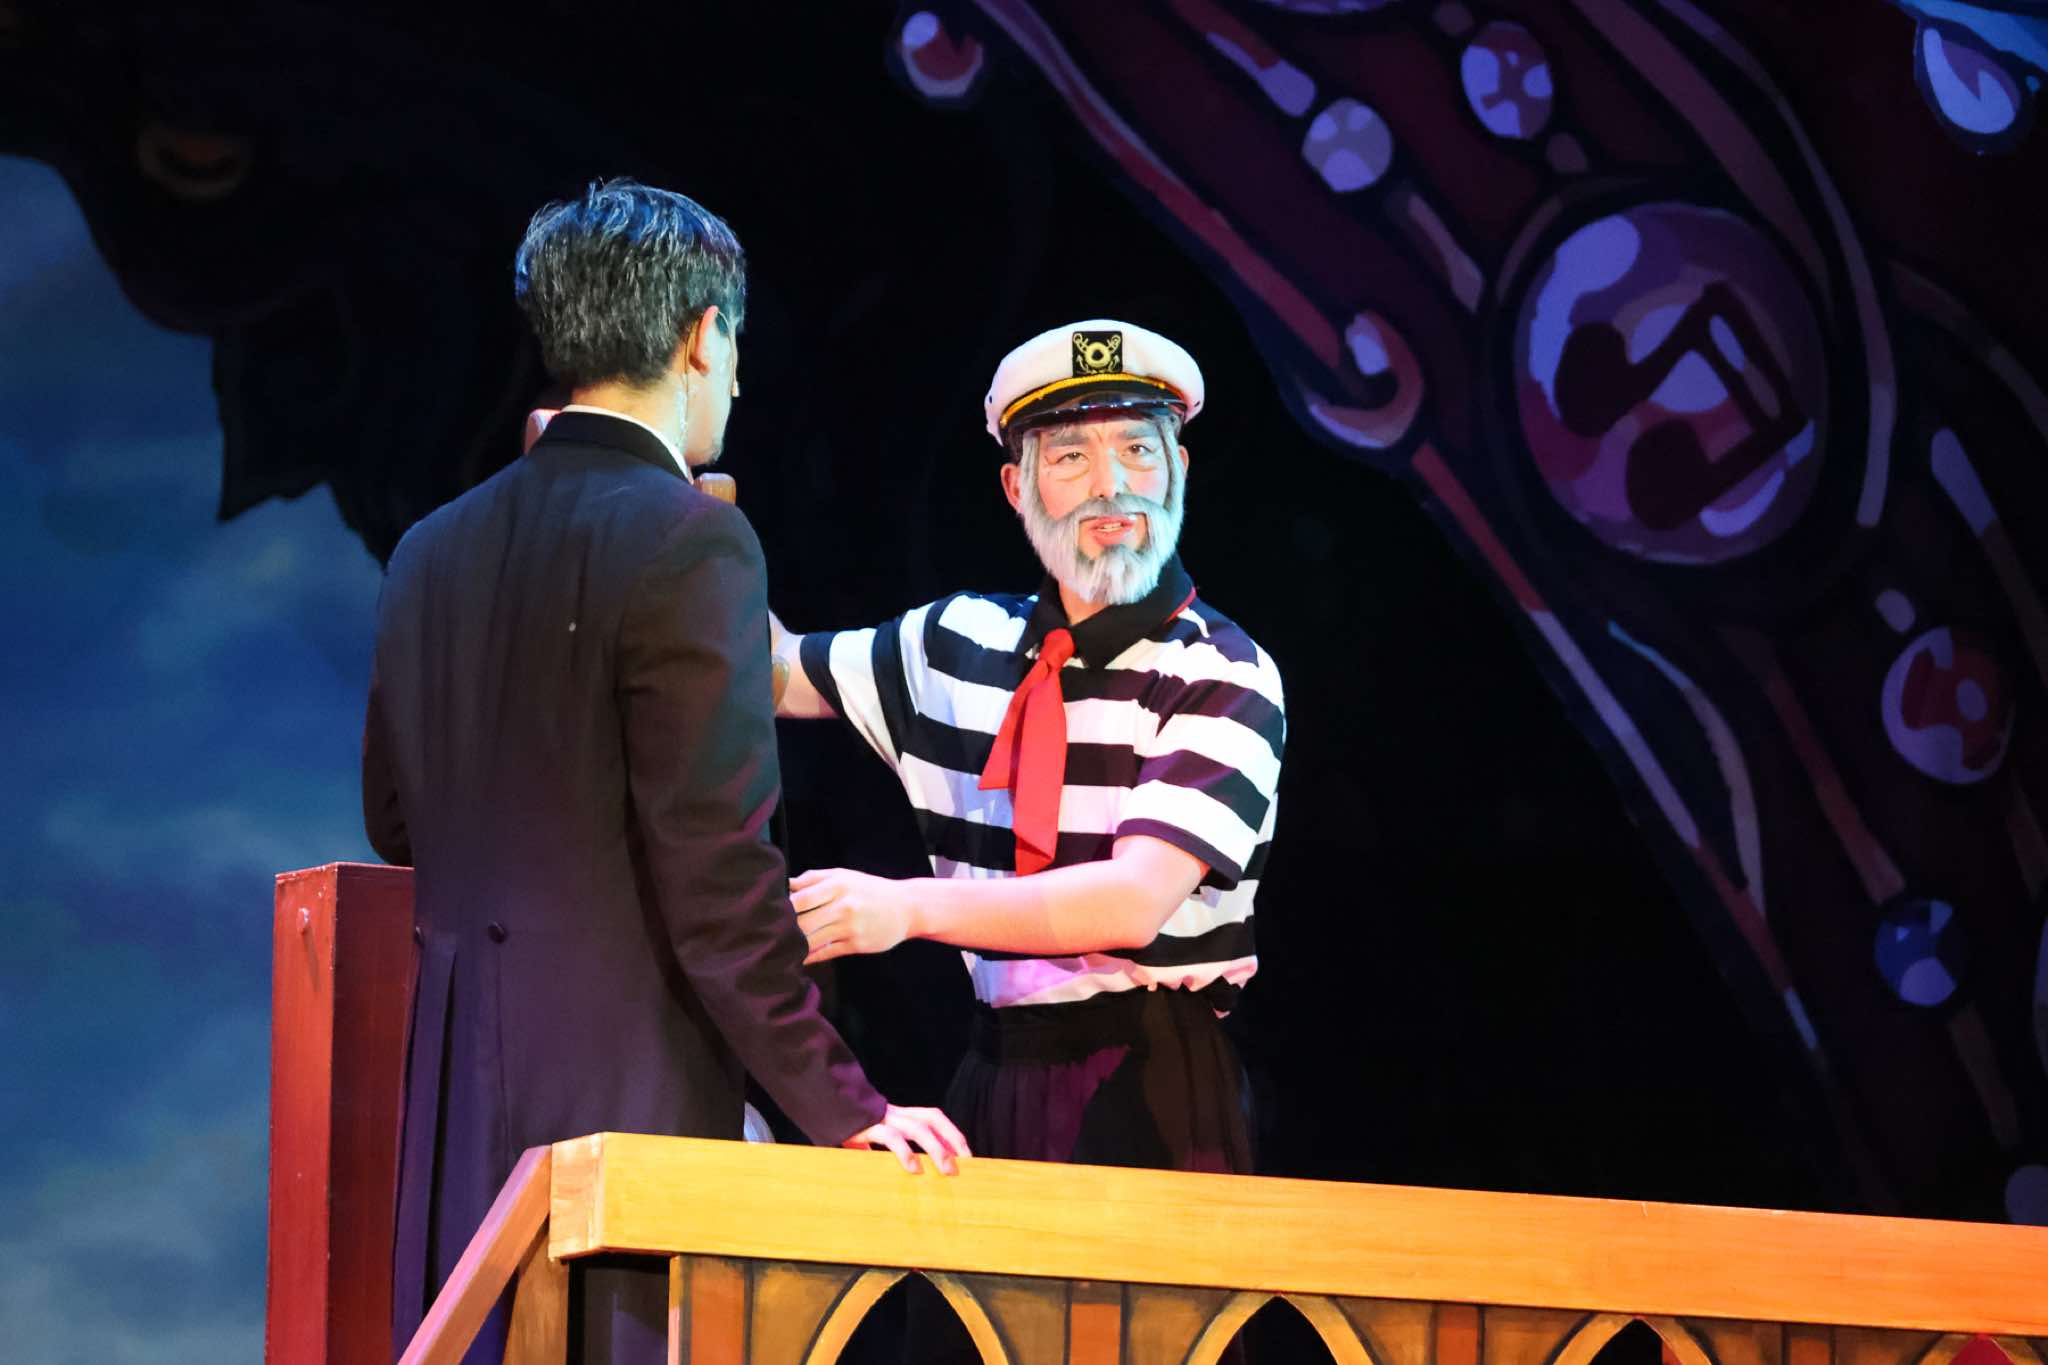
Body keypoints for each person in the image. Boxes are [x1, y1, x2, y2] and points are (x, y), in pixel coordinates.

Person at [362, 179, 966, 1365]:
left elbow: (395, 817)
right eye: (733, 343)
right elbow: (717, 874)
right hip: (622, 1108)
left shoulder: (429, 548)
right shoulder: (693, 538)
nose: (735, 379)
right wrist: (845, 1107)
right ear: (699, 336)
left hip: (458, 1113)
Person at [770, 319, 1284, 1176]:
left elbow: (1132, 900)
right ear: (1016, 486)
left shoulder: (1222, 669)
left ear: (1180, 469)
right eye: (1071, 456)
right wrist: (674, 520)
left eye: (1139, 449)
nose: (1112, 485)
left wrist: (906, 908)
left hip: (1153, 1087)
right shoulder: (958, 642)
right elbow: (774, 673)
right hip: (994, 1068)